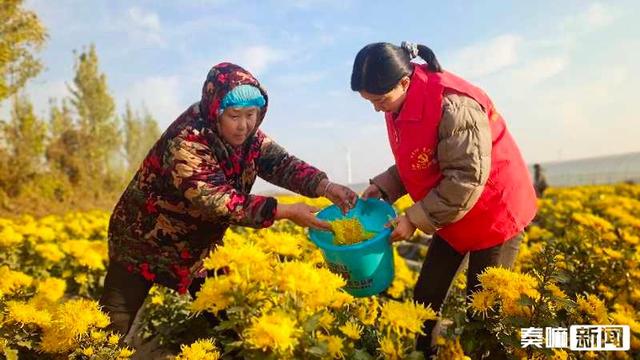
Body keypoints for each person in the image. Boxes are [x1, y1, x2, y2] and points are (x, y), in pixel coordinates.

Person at [99, 62, 358, 337]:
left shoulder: (249, 137)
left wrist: (325, 186)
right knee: (110, 325)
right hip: (143, 239)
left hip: (200, 246)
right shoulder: (187, 140)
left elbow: (282, 164)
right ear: (216, 110)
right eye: (235, 115)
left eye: (251, 114)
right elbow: (218, 201)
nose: (244, 125)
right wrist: (286, 211)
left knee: (230, 313)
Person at [352, 42, 538, 355]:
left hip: (493, 210)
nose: (376, 108)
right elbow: (421, 156)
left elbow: (466, 177)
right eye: (369, 101)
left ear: (404, 82)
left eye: (379, 100)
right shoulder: (396, 101)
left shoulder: (453, 105)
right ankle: (424, 354)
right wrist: (386, 186)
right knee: (425, 297)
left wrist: (412, 218)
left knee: (483, 314)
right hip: (449, 210)